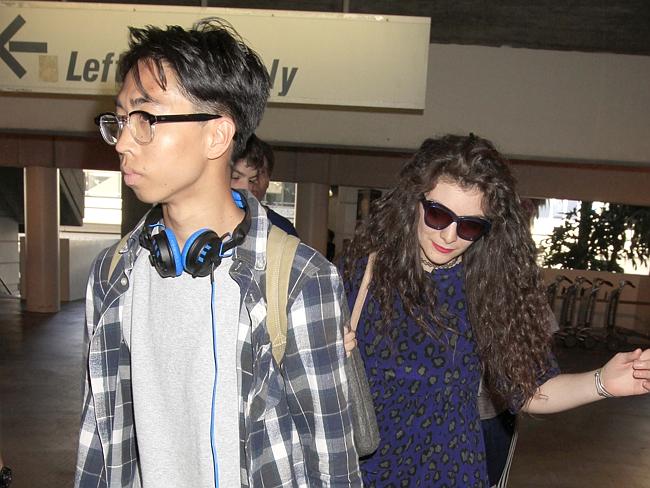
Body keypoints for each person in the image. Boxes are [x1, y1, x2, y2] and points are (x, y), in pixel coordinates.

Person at [75, 18, 361, 487]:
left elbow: (332, 464)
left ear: (216, 135)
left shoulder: (300, 280)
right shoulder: (112, 273)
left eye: (145, 118)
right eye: (121, 119)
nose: (124, 141)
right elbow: (99, 440)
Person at [341, 134, 650, 487]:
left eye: (471, 225)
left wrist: (603, 383)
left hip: (449, 472)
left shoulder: (488, 289)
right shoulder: (359, 274)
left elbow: (530, 392)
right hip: (363, 472)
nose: (449, 236)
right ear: (414, 202)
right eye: (438, 215)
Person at [231, 133, 299, 236]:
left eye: (254, 179)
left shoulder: (282, 230)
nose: (247, 188)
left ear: (268, 180)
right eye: (236, 177)